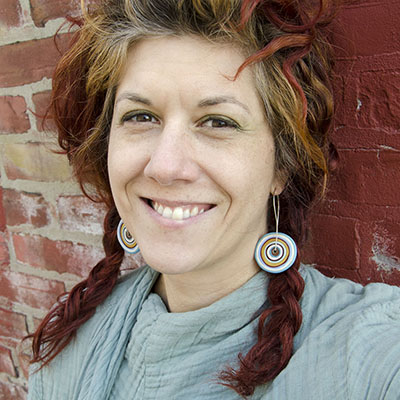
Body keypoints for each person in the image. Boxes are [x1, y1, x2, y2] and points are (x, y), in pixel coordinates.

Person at [27, 0, 400, 399]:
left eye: (218, 122)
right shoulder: (70, 339)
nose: (165, 167)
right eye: (140, 116)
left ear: (282, 166)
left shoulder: (367, 351)